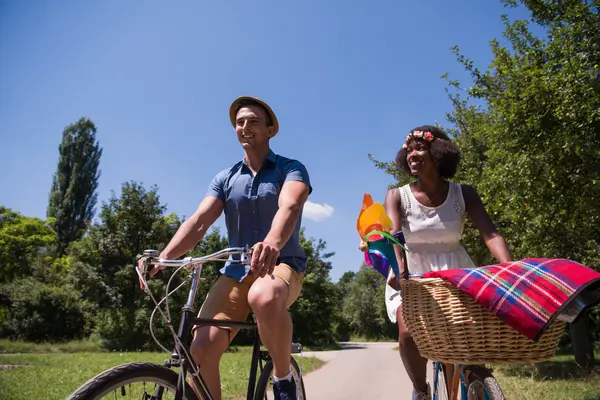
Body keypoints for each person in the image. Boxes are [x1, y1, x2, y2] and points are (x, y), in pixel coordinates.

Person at [139, 96, 312, 400]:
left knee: (264, 295)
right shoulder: (225, 178)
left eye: (254, 121)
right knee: (200, 348)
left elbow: (290, 205)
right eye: (240, 122)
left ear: (270, 130)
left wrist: (272, 242)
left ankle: (283, 379)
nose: (245, 127)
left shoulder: (291, 168)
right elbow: (199, 221)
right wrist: (165, 257)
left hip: (281, 265)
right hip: (235, 270)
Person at [360, 125, 512, 400]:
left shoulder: (464, 194)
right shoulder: (397, 195)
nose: (413, 155)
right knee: (408, 331)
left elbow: (490, 233)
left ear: (439, 153)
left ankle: (478, 381)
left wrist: (510, 267)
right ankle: (421, 390)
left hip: (458, 271)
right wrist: (400, 273)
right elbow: (394, 236)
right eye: (409, 150)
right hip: (411, 271)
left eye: (420, 148)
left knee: (471, 331)